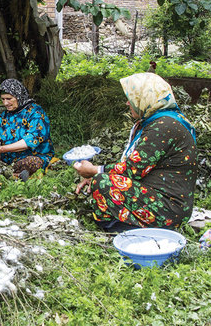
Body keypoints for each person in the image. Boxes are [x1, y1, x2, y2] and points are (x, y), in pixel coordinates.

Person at [73, 72, 197, 231]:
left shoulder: (164, 127)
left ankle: (120, 229)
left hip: (168, 210)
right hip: (162, 199)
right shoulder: (159, 121)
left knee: (102, 183)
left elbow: (131, 170)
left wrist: (93, 171)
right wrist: (95, 173)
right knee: (101, 180)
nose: (127, 103)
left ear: (145, 98)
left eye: (131, 98)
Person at [0, 78, 54, 180]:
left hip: (32, 155)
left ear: (18, 96)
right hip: (8, 157)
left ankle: (3, 174)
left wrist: (2, 149)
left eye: (9, 99)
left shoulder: (35, 112)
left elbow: (31, 141)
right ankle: (11, 174)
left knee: (30, 163)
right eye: (3, 99)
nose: (5, 103)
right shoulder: (5, 115)